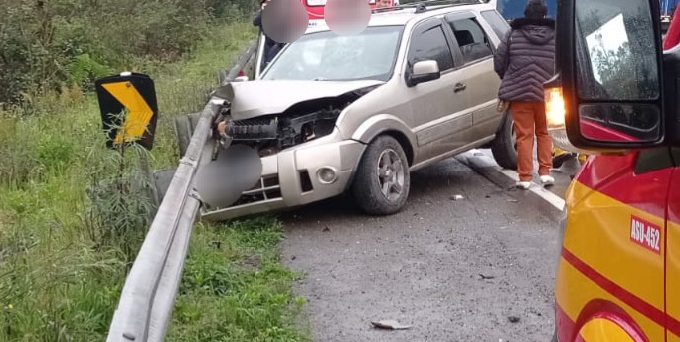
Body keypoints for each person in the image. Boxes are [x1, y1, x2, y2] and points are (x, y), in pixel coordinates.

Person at [494, 0, 555, 190]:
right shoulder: (555, 35)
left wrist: (510, 78)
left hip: (520, 95)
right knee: (545, 132)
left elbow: (499, 60)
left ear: (526, 15)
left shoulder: (513, 34)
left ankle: (525, 177)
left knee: (524, 135)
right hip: (547, 93)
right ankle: (545, 172)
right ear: (544, 15)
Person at [253, 0, 285, 70]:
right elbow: (255, 22)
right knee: (268, 63)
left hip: (280, 42)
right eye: (266, 2)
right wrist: (263, 11)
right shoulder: (262, 14)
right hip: (269, 43)